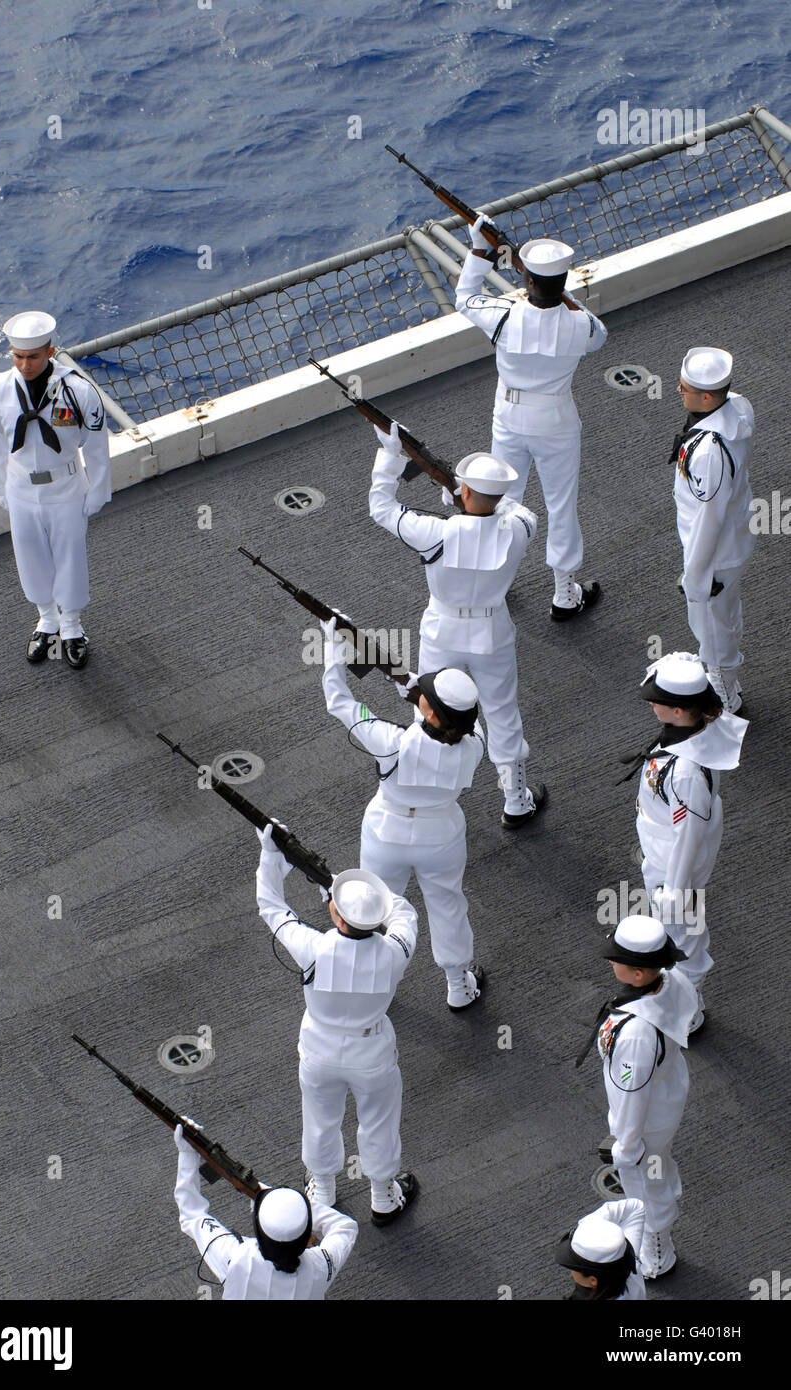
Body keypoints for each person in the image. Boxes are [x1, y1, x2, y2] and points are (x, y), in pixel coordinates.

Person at [368, 428, 545, 826]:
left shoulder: (436, 532)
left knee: (428, 708)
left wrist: (391, 455)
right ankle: (516, 800)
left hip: (442, 631)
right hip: (492, 630)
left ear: (463, 492)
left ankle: (421, 792)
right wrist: (468, 503)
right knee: (502, 714)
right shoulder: (520, 528)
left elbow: (381, 508)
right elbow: (509, 512)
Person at [255, 824, 419, 1225]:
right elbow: (403, 912)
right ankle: (383, 1196)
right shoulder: (396, 951)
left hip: (320, 1050)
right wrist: (355, 896)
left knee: (320, 1118)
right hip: (372, 1051)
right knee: (379, 1121)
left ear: (335, 913)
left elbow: (271, 907)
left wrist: (272, 856)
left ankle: (323, 1190)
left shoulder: (314, 948)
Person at [319, 615, 485, 1009]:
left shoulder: (387, 741)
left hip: (385, 833)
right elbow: (443, 728)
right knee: (447, 906)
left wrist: (334, 649)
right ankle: (459, 985)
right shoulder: (475, 743)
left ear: (429, 714)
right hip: (441, 835)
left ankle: (370, 981)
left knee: (374, 905)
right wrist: (409, 687)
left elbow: (338, 701)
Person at [455, 217, 607, 618]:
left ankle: (494, 581)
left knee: (501, 499)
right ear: (562, 280)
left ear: (526, 279)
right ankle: (563, 593)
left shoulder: (504, 315)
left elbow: (465, 298)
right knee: (561, 504)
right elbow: (600, 334)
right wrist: (561, 295)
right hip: (556, 418)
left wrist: (480, 249)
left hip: (508, 414)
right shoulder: (581, 325)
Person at [622, 650, 748, 1032]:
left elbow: (689, 837)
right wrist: (682, 665)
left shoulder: (688, 774)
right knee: (677, 934)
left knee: (686, 943)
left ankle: (690, 1013)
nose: (652, 703)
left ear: (679, 711)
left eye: (659, 700)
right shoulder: (689, 731)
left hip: (673, 869)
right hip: (661, 854)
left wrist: (674, 892)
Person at [0, 311, 111, 668]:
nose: (24, 364)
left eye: (33, 356)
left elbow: (97, 444)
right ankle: (46, 619)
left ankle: (71, 626)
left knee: (70, 557)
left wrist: (98, 490)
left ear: (50, 352)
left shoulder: (78, 391)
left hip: (66, 487)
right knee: (30, 556)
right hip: (21, 487)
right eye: (18, 356)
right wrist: (0, 487)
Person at [590, 916, 697, 1278]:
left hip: (646, 1119)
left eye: (616, 958)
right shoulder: (673, 980)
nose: (610, 961)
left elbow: (631, 1097)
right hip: (666, 1094)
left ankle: (656, 1254)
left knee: (645, 1186)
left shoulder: (636, 1034)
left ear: (638, 974)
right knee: (658, 1169)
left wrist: (627, 1146)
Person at [173, 1125, 357, 1300]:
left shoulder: (235, 1257)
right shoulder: (320, 1266)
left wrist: (187, 1153)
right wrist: (269, 1195)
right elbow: (345, 1226)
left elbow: (192, 1214)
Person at [670, 346, 755, 712]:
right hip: (732, 540)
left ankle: (724, 695)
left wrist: (696, 577)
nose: (677, 390)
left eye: (685, 387)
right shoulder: (737, 406)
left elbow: (708, 521)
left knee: (710, 624)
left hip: (714, 553)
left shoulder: (709, 453)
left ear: (707, 397)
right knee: (723, 616)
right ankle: (723, 675)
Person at [554, 1198, 646, 1301]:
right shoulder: (627, 1263)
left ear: (593, 1281)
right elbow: (636, 1207)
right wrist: (590, 1225)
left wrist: (587, 1222)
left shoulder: (631, 1260)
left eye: (573, 1266)